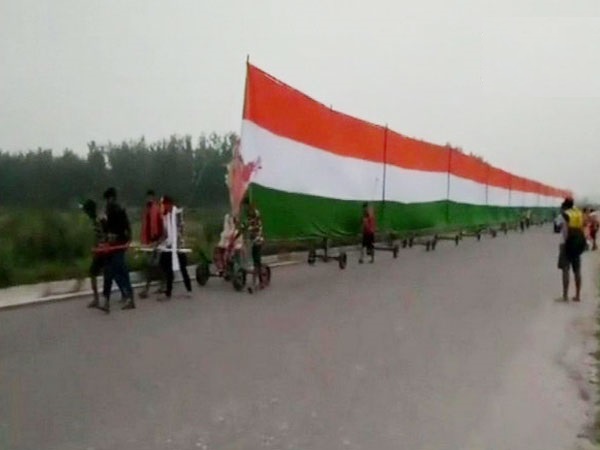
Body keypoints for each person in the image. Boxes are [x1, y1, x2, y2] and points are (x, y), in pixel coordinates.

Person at [99, 187, 135, 312]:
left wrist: (121, 237)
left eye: (108, 199)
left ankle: (129, 297)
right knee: (111, 271)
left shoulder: (116, 210)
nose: (107, 202)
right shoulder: (112, 210)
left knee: (120, 270)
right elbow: (109, 229)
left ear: (112, 198)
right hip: (113, 245)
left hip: (118, 244)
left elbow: (122, 227)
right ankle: (111, 299)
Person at [157, 196, 192, 300]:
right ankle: (168, 291)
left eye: (165, 205)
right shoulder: (166, 216)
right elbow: (165, 232)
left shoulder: (178, 213)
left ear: (170, 204)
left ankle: (188, 289)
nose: (164, 207)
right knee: (164, 264)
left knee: (182, 268)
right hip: (168, 245)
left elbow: (180, 229)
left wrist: (176, 243)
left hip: (178, 246)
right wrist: (160, 243)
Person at [557, 197, 586, 302]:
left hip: (565, 244)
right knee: (577, 270)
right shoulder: (578, 213)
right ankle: (577, 296)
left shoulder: (563, 215)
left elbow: (557, 227)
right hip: (577, 244)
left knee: (565, 269)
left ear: (565, 205)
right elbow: (583, 226)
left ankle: (565, 296)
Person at [139, 190, 165, 299]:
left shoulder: (158, 210)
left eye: (150, 197)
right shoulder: (146, 211)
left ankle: (146, 289)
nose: (148, 199)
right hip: (150, 243)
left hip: (158, 242)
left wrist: (158, 242)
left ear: (153, 197)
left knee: (151, 265)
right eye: (147, 197)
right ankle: (163, 282)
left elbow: (163, 228)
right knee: (155, 266)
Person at [241, 199, 264, 293]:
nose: (244, 208)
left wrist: (248, 227)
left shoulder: (255, 213)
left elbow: (255, 226)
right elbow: (246, 226)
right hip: (252, 241)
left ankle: (256, 283)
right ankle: (258, 280)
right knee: (253, 261)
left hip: (258, 240)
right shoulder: (248, 214)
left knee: (256, 262)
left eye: (245, 206)